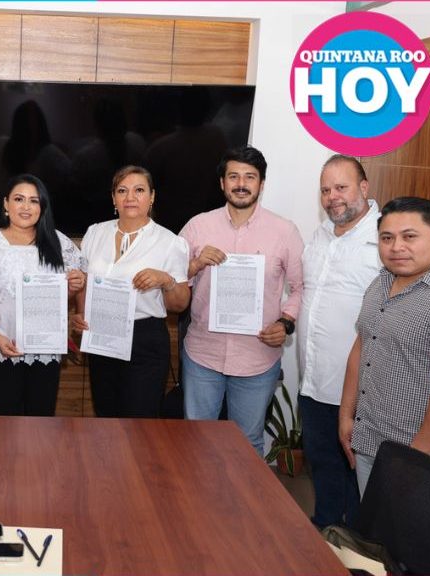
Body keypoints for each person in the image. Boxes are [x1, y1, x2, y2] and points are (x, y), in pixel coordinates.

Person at [179, 146, 303, 456]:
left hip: (257, 357)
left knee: (247, 445)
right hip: (203, 355)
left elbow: (301, 287)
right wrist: (195, 265)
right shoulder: (197, 226)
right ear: (222, 183)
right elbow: (174, 282)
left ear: (262, 183)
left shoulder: (284, 231)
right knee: (196, 440)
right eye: (233, 176)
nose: (241, 184)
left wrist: (286, 323)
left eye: (250, 177)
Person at [339, 197, 430, 497]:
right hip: (369, 439)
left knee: (406, 529)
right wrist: (346, 416)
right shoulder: (381, 283)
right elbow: (362, 347)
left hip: (420, 457)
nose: (396, 247)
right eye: (387, 238)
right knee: (373, 525)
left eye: (409, 236)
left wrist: (412, 461)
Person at [297, 155, 379, 527]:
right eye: (325, 190)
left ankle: (355, 545)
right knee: (323, 464)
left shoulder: (384, 237)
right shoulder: (321, 235)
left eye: (341, 187)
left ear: (364, 187)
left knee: (358, 477)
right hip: (314, 383)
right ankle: (326, 532)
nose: (332, 197)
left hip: (360, 390)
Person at [72, 165, 190, 417]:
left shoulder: (170, 242)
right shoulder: (95, 232)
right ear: (113, 198)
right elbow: (85, 280)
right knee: (106, 418)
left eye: (139, 190)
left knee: (139, 422)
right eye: (122, 190)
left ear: (152, 196)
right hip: (101, 336)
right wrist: (81, 314)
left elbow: (180, 304)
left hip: (145, 339)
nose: (130, 197)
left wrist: (166, 280)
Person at [0, 174, 86, 416]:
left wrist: (75, 286)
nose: (26, 207)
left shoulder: (59, 243)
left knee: (40, 424)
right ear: (6, 203)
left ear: (42, 207)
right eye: (19, 199)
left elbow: (64, 295)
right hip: (0, 347)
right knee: (2, 424)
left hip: (45, 349)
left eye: (34, 201)